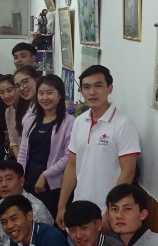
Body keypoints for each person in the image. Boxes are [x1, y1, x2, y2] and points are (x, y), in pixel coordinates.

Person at [56, 65, 141, 233]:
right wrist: (62, 206)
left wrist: (110, 213)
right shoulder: (79, 122)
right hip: (79, 208)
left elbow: (128, 171)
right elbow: (72, 165)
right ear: (81, 91)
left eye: (98, 86)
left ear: (110, 88)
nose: (92, 92)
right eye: (86, 87)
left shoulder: (123, 124)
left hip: (106, 212)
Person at [17, 74, 74, 217]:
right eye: (41, 93)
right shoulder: (31, 120)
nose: (44, 98)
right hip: (28, 181)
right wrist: (19, 176)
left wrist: (45, 175)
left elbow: (68, 157)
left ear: (60, 95)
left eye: (49, 93)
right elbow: (23, 152)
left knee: (51, 222)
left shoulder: (69, 122)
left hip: (53, 184)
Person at [0, 75, 21, 159]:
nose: (6, 96)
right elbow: (13, 141)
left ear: (17, 88)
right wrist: (20, 162)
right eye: (2, 92)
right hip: (19, 158)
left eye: (9, 90)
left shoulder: (30, 109)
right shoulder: (8, 111)